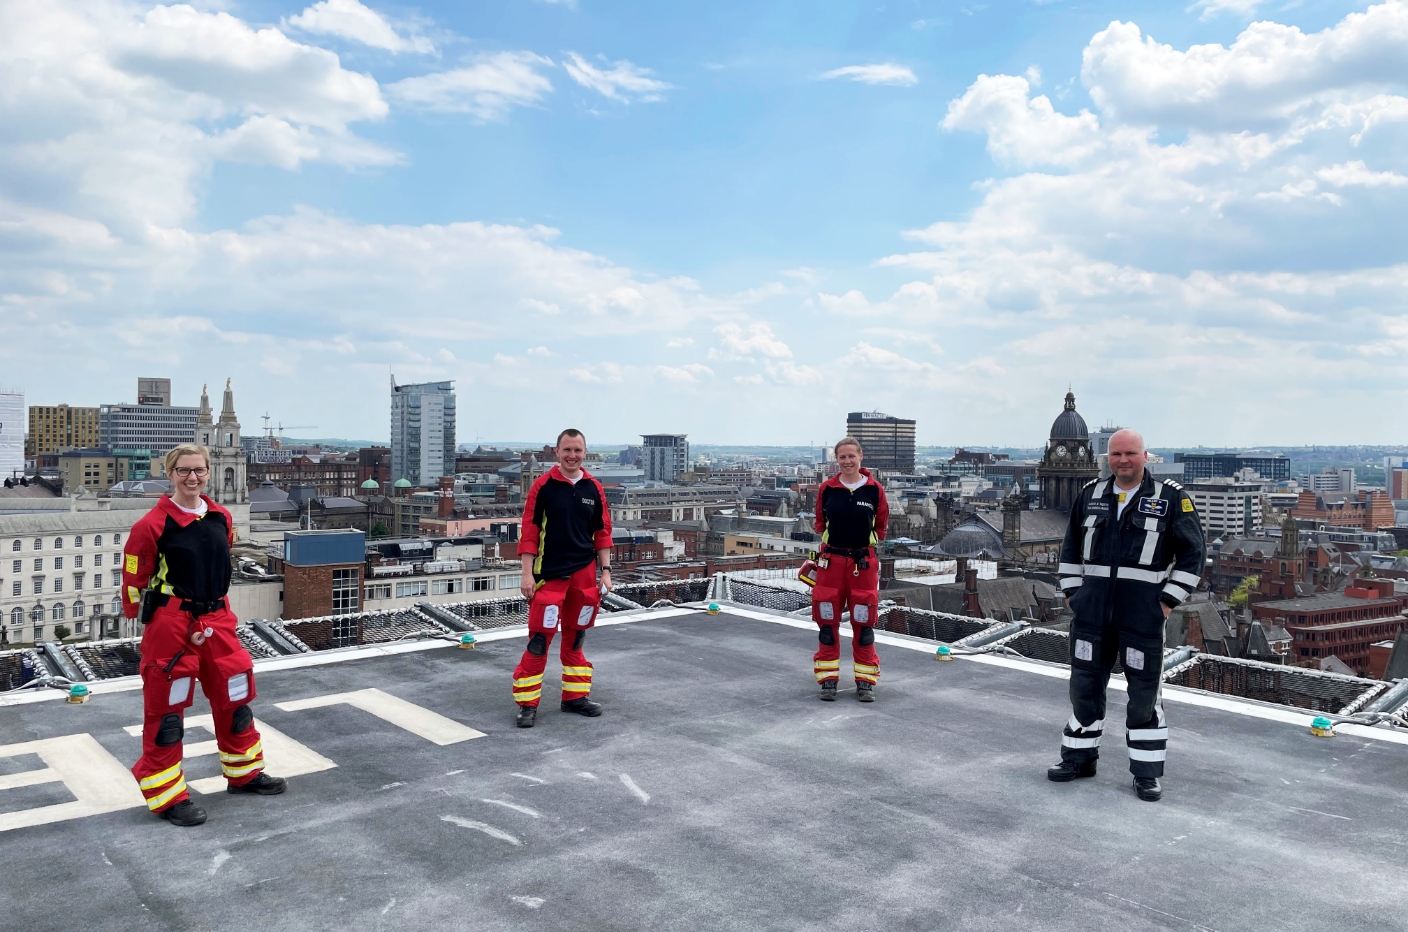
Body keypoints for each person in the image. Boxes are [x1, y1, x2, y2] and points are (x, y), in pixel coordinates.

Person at [122, 443, 286, 827]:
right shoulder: (151, 525)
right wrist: (139, 617)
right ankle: (168, 797)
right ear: (171, 474)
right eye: (183, 471)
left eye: (198, 470)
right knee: (166, 712)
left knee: (235, 697)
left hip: (217, 619)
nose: (192, 477)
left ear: (209, 472)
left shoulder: (220, 517)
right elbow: (134, 577)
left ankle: (244, 774)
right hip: (172, 623)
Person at [1047, 429, 1205, 801]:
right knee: (1084, 689)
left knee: (1144, 697)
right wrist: (1074, 595)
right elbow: (1069, 549)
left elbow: (1193, 556)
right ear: (1107, 457)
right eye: (1116, 454)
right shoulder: (1091, 495)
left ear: (1145, 456)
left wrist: (1166, 602)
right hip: (1091, 617)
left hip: (1141, 616)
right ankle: (1078, 759)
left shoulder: (1170, 499)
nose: (1122, 460)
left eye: (1130, 453)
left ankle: (1146, 774)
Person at [511, 429, 614, 728]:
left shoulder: (593, 488)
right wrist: (527, 575)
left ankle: (574, 698)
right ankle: (527, 704)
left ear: (585, 453)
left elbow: (602, 533)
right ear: (556, 452)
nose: (572, 455)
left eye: (577, 450)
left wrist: (605, 572)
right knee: (540, 640)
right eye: (567, 450)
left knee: (576, 636)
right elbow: (529, 534)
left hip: (584, 575)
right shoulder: (543, 487)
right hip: (550, 575)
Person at [810, 437, 890, 701]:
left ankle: (865, 682)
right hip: (831, 563)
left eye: (851, 456)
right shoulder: (827, 489)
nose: (847, 461)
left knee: (864, 625)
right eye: (842, 457)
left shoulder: (875, 490)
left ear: (860, 457)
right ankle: (828, 681)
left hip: (862, 564)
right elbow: (820, 523)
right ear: (836, 460)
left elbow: (881, 527)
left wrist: (864, 543)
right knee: (827, 623)